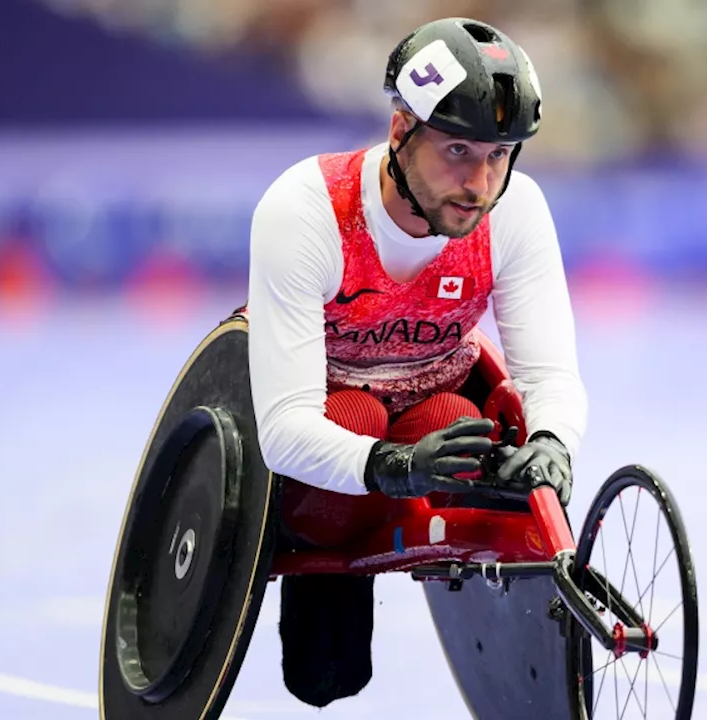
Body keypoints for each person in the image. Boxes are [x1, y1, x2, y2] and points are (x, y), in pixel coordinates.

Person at [243, 17, 589, 708]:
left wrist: (553, 445)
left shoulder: (515, 211)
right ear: (401, 131)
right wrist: (392, 467)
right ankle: (334, 563)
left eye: (499, 156)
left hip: (429, 421)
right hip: (324, 448)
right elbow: (282, 429)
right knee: (358, 412)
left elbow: (548, 376)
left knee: (462, 422)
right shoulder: (304, 209)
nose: (479, 183)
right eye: (458, 150)